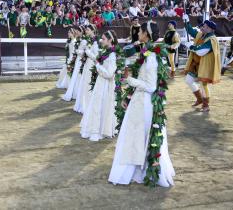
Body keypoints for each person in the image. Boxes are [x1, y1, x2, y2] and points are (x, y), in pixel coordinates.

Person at [108, 22, 175, 187]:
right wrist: (128, 95)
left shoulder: (151, 57)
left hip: (145, 102)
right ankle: (137, 167)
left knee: (137, 136)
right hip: (139, 100)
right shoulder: (147, 52)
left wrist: (128, 79)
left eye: (141, 31)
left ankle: (138, 168)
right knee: (135, 136)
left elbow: (151, 87)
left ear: (147, 34)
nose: (138, 33)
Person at [80, 30, 117, 142]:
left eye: (104, 39)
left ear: (110, 40)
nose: (102, 40)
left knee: (101, 105)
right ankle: (96, 127)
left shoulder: (112, 55)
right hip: (101, 83)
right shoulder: (106, 52)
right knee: (97, 105)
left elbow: (109, 74)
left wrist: (97, 65)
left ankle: (101, 129)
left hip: (106, 85)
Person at [183, 15, 221, 112]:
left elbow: (202, 51)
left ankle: (205, 105)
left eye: (203, 26)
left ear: (209, 29)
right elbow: (191, 31)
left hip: (205, 65)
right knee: (188, 80)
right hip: (196, 64)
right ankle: (199, 99)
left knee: (203, 85)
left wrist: (191, 47)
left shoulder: (212, 39)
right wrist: (186, 21)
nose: (201, 28)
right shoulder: (201, 34)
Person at [73, 25, 99, 114]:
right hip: (87, 64)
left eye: (88, 30)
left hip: (92, 65)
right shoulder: (89, 40)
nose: (86, 31)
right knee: (84, 83)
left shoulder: (96, 42)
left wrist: (86, 52)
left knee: (89, 84)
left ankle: (89, 105)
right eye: (86, 30)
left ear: (93, 30)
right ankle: (84, 104)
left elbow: (96, 56)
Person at [63, 28, 87, 101]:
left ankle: (78, 93)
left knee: (79, 76)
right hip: (77, 60)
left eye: (78, 31)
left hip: (80, 60)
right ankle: (75, 92)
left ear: (81, 32)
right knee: (75, 76)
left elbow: (84, 52)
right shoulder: (78, 40)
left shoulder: (84, 41)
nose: (76, 32)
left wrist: (77, 51)